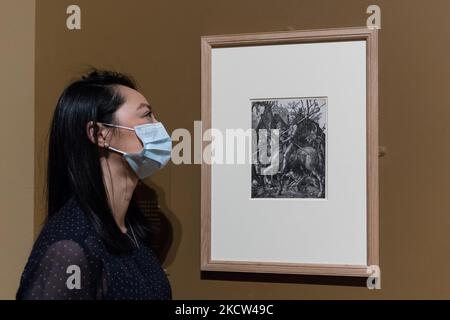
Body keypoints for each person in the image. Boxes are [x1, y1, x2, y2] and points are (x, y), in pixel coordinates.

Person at [16, 69, 173, 300]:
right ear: (100, 134)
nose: (158, 126)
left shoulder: (129, 233)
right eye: (147, 115)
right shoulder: (70, 246)